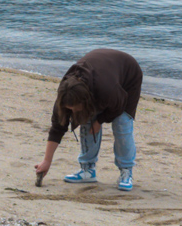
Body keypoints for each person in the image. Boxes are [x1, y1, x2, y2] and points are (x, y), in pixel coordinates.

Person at [35, 49, 142, 192]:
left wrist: (99, 121)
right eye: (69, 109)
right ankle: (87, 170)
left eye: (75, 108)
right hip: (103, 74)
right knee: (84, 119)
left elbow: (118, 106)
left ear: (86, 99)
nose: (72, 112)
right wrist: (47, 161)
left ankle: (126, 172)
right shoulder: (65, 94)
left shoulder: (107, 90)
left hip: (128, 76)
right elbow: (57, 127)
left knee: (121, 124)